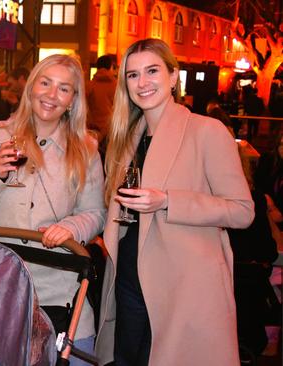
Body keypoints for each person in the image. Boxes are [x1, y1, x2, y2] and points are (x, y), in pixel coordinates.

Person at [96, 38, 254, 365]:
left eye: (152, 71)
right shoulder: (127, 137)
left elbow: (242, 211)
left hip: (184, 282)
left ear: (173, 77)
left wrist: (168, 201)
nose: (143, 82)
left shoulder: (207, 131)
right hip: (129, 276)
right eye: (133, 74)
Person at [0, 54, 105, 365]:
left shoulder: (86, 148)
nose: (51, 95)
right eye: (45, 83)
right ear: (31, 86)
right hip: (1, 286)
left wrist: (71, 229)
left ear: (73, 100)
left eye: (64, 89)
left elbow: (95, 213)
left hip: (60, 287)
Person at [229, 144, 279, 360]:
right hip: (249, 286)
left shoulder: (202, 200)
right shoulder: (255, 199)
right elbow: (268, 250)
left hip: (218, 286)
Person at [86, 54, 117, 145]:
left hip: (93, 131)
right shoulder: (117, 87)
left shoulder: (89, 86)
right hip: (111, 131)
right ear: (111, 67)